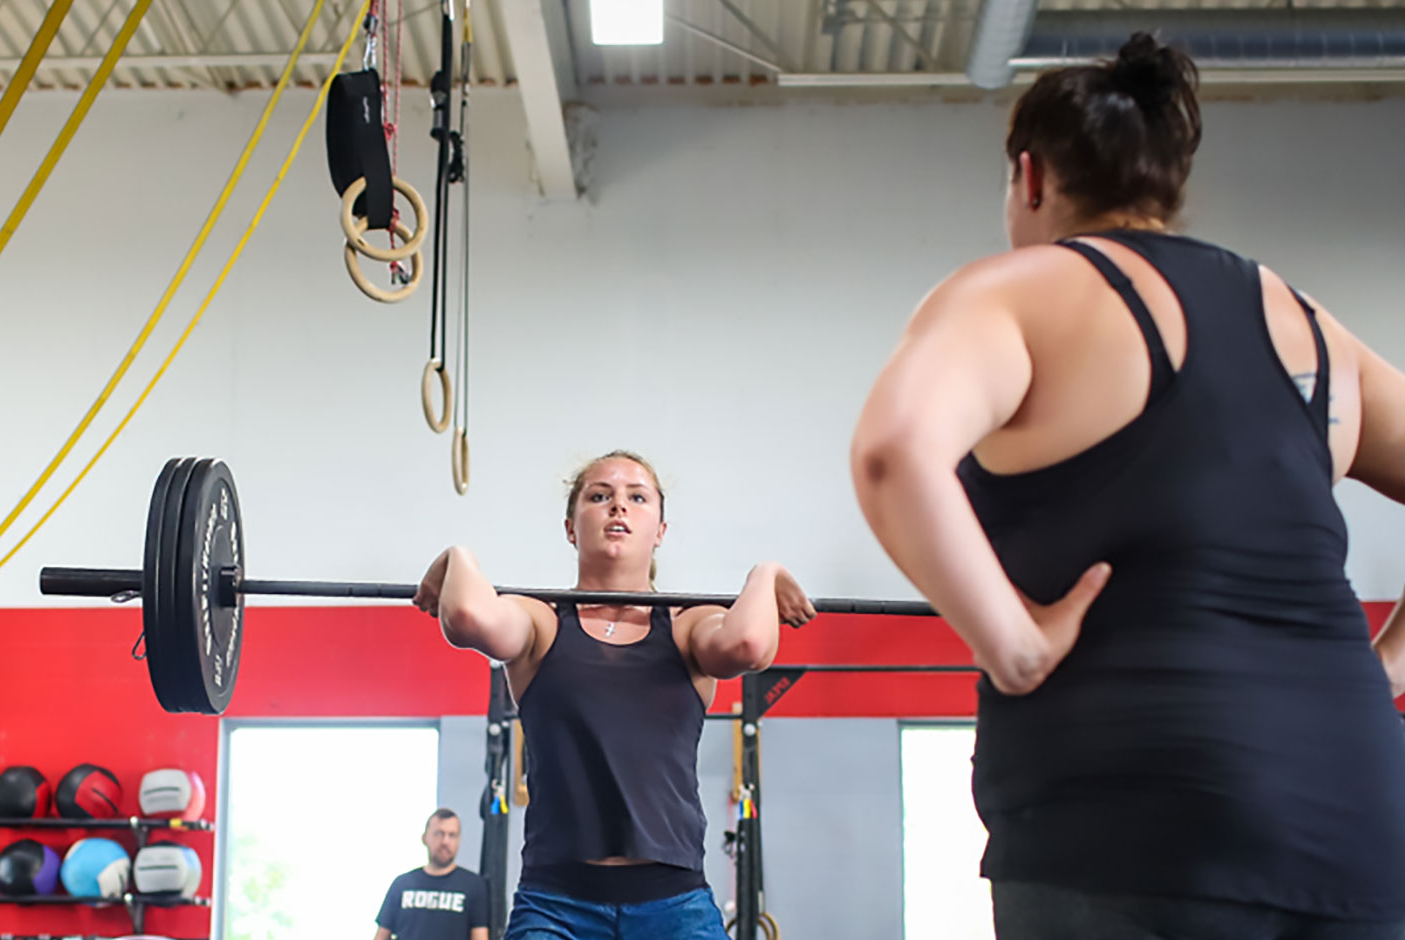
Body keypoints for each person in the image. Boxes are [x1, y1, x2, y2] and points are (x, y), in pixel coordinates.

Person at [850, 32, 1405, 940]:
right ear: (1169, 185)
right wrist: (1381, 668)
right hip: (1356, 816)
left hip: (1130, 814)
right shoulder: (1309, 325)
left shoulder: (1022, 292)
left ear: (1030, 177)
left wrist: (1013, 645)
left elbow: (893, 452)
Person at [413, 451, 815, 939]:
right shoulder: (541, 619)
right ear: (570, 527)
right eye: (599, 496)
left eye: (636, 497)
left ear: (660, 530)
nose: (617, 507)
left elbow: (750, 646)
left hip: (675, 904)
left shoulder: (689, 624)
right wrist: (458, 555)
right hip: (556, 905)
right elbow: (469, 619)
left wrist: (764, 573)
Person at [373, 809, 490, 940]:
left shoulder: (474, 886)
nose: (445, 841)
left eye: (452, 835)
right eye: (439, 834)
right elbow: (382, 935)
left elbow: (480, 936)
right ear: (425, 838)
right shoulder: (402, 884)